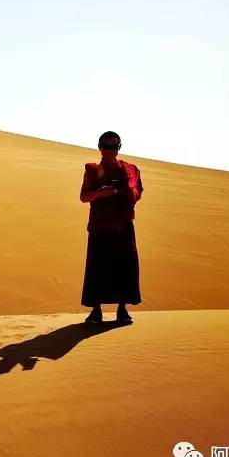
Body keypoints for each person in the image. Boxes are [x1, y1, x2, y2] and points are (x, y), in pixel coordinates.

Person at [79, 131, 143, 324]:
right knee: (97, 267)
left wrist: (123, 192)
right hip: (100, 225)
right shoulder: (92, 171)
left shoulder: (130, 170)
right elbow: (83, 197)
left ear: (119, 148)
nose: (110, 151)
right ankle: (96, 310)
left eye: (114, 146)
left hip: (123, 224)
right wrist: (100, 192)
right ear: (99, 147)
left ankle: (122, 309)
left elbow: (137, 192)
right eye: (106, 146)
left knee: (125, 266)